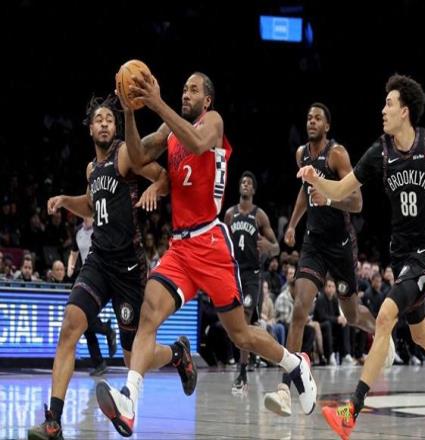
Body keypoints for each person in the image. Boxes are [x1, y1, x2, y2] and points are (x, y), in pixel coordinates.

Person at [95, 71, 317, 437]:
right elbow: (135, 156)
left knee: (241, 335)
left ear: (207, 100)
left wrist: (156, 103)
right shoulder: (168, 130)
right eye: (184, 88)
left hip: (211, 242)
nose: (186, 93)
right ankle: (129, 400)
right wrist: (131, 111)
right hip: (180, 247)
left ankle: (295, 364)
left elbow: (198, 144)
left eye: (193, 90)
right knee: (149, 314)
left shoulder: (212, 121)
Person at [298, 74, 425, 438]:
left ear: (405, 111)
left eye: (388, 104)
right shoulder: (380, 152)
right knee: (420, 335)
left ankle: (351, 411)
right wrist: (315, 179)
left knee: (386, 316)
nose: (382, 110)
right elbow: (340, 190)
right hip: (400, 255)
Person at [28, 94, 179, 440]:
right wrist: (66, 200)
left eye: (110, 119)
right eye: (99, 119)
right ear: (90, 129)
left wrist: (155, 188)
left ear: (116, 127)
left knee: (132, 358)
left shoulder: (124, 154)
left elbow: (162, 176)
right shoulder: (91, 169)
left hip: (128, 267)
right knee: (70, 326)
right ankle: (54, 422)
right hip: (98, 261)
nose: (105, 123)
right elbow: (92, 205)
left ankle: (177, 354)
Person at [264, 102, 392, 417]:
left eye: (318, 118)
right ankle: (284, 389)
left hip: (341, 246)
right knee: (299, 309)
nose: (312, 121)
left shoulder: (337, 154)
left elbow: (357, 202)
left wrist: (330, 197)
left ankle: (379, 331)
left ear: (327, 126)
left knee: (351, 314)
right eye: (309, 117)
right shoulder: (301, 155)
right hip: (314, 245)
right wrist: (293, 224)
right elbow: (303, 191)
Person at [224, 170, 279, 392]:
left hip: (252, 275)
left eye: (249, 183)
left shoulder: (259, 215)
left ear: (253, 190)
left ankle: (243, 370)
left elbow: (276, 248)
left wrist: (268, 246)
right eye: (243, 182)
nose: (245, 184)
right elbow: (223, 245)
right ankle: (256, 353)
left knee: (245, 318)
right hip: (233, 272)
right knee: (235, 323)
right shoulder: (230, 214)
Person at [67, 216, 117, 376]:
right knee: (85, 323)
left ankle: (107, 332)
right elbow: (73, 252)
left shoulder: (100, 228)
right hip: (86, 275)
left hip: (101, 276)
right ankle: (99, 362)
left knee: (85, 318)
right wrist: (70, 266)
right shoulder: (78, 232)